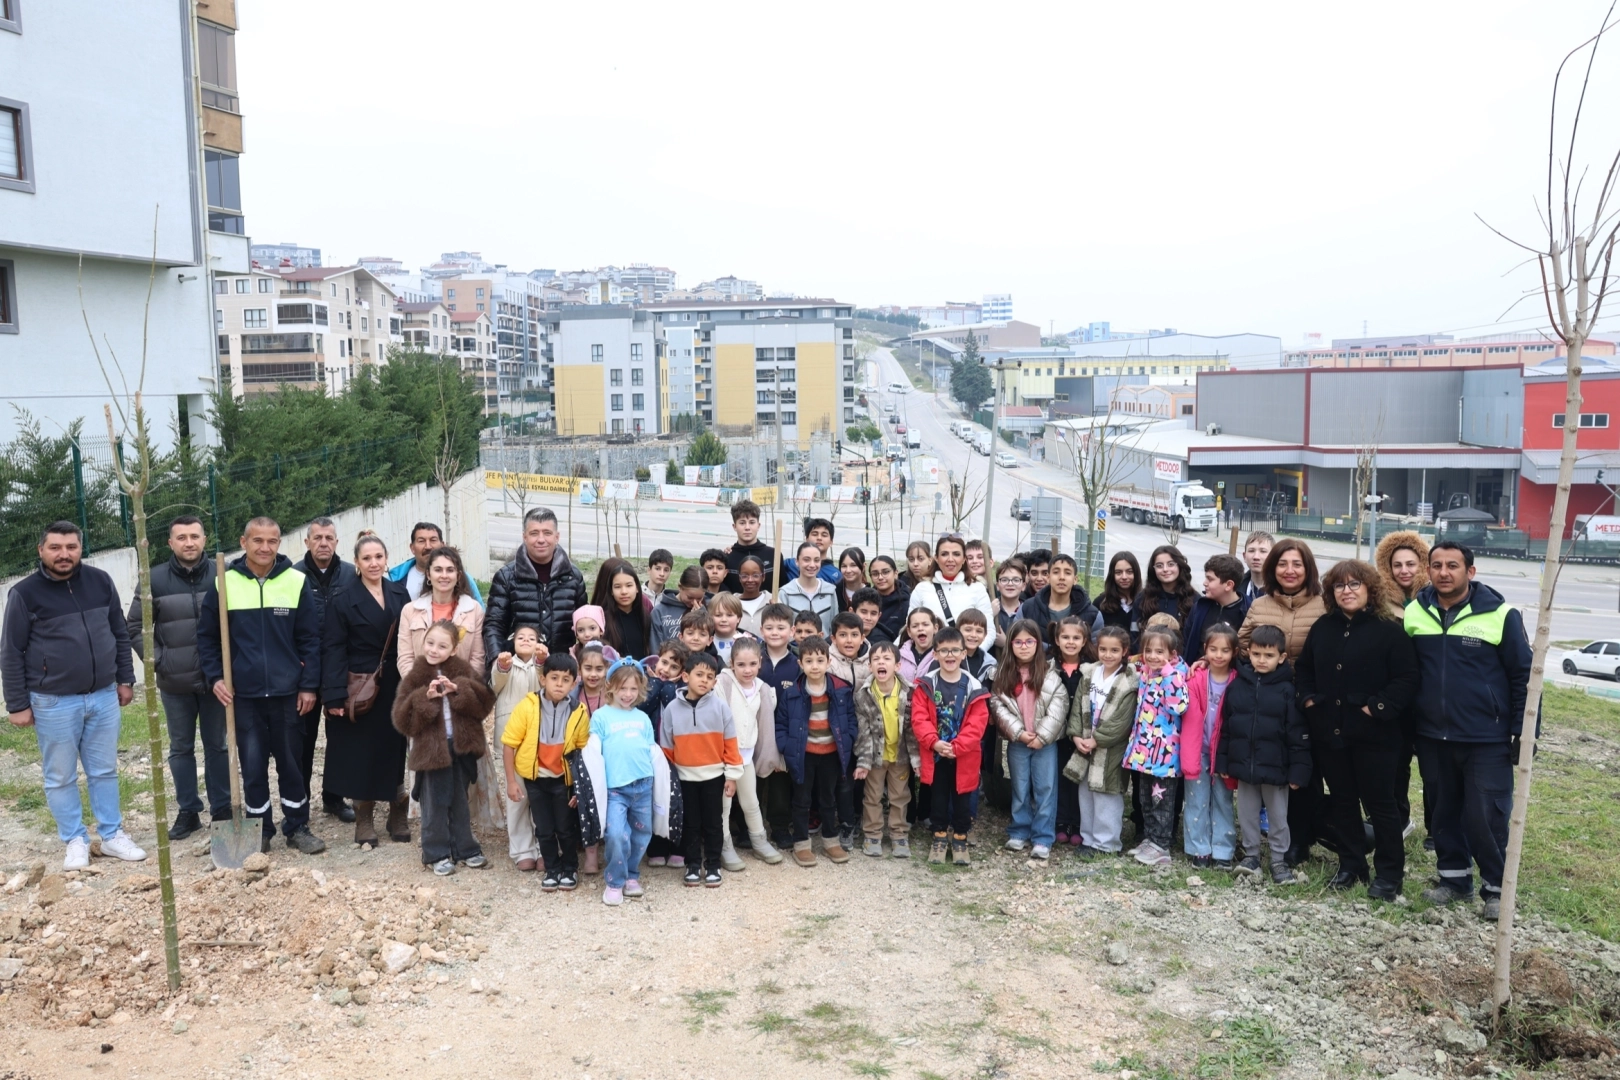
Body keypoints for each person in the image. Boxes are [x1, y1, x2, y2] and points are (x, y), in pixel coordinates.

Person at [3, 521, 144, 869]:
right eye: (55, 547)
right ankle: (75, 840)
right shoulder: (24, 593)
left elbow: (119, 632)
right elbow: (11, 651)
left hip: (103, 696)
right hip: (53, 701)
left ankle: (111, 835)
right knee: (60, 776)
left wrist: (125, 679)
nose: (63, 554)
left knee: (104, 771)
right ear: (41, 550)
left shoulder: (100, 582)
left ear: (81, 548)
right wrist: (17, 704)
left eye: (71, 547)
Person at [1405, 542, 1531, 920]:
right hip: (1432, 735)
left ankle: (1497, 890)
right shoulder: (1415, 612)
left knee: (1485, 815)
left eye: (1453, 565)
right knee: (1443, 811)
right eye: (1437, 565)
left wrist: (1524, 731)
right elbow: (1407, 673)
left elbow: (1524, 675)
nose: (1444, 572)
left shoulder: (1500, 615)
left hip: (1485, 737)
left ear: (1470, 572)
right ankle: (1454, 880)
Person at [197, 516, 325, 855]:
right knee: (252, 766)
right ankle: (260, 829)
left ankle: (297, 826)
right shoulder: (224, 583)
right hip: (244, 695)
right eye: (257, 540)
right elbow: (207, 638)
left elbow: (310, 639)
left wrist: (308, 685)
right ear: (244, 542)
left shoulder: (296, 581)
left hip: (287, 693)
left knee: (291, 764)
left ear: (279, 543)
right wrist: (216, 677)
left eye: (272, 541)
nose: (265, 547)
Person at [1298, 559, 1419, 901]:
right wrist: (1309, 699)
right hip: (1331, 731)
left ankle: (1389, 874)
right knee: (1343, 801)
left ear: (1369, 589)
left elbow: (1407, 678)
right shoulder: (1323, 627)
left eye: (1354, 584)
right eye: (1339, 585)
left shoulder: (1389, 630)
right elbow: (1305, 669)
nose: (1346, 591)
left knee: (1381, 805)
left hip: (1375, 735)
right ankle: (1351, 864)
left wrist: (1376, 707)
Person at [125, 515, 223, 841]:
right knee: (181, 748)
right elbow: (135, 626)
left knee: (218, 746)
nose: (189, 543)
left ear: (204, 539)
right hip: (174, 682)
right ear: (170, 543)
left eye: (194, 536)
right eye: (181, 537)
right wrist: (159, 661)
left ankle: (222, 808)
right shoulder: (153, 579)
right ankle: (189, 811)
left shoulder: (223, 575)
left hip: (216, 681)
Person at [1238, 537, 1328, 866]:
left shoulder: (1324, 604)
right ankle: (1268, 837)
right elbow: (1241, 646)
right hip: (1269, 701)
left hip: (1309, 701)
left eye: (1297, 564)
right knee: (1273, 769)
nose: (1289, 570)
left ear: (1308, 568)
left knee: (1305, 772)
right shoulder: (1260, 605)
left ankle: (1300, 841)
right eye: (1282, 564)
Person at [319, 533, 412, 847]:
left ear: (386, 559)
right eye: (367, 558)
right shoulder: (343, 598)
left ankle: (397, 812)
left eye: (378, 557)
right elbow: (333, 648)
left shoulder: (399, 593)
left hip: (396, 683)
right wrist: (333, 694)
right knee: (361, 751)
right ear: (356, 562)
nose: (374, 563)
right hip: (359, 685)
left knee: (395, 748)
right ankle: (364, 818)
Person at [394, 620, 496, 876]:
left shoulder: (463, 670)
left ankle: (465, 848)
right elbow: (401, 720)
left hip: (461, 747)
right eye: (430, 643)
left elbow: (485, 703)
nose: (434, 649)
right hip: (432, 751)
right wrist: (424, 699)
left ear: (453, 649)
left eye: (442, 646)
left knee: (460, 800)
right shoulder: (416, 675)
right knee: (435, 803)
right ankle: (436, 853)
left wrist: (459, 690)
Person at [1216, 623, 1310, 885]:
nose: (1261, 660)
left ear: (1281, 657)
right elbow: (1227, 727)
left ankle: (1278, 860)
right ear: (1248, 653)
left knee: (1278, 817)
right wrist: (1223, 761)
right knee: (1246, 814)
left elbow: (1297, 733)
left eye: (1269, 655)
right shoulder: (1237, 686)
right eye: (1256, 654)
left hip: (1276, 768)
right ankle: (1251, 855)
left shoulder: (1288, 690)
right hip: (1244, 767)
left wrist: (1299, 770)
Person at [501, 652, 588, 891]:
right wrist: (511, 781)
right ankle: (552, 868)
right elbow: (509, 744)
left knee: (565, 828)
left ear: (574, 683)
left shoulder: (579, 712)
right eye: (554, 678)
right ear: (543, 679)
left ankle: (570, 868)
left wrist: (579, 787)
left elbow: (582, 752)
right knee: (544, 828)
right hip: (536, 780)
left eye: (566, 680)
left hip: (563, 781)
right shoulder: (527, 707)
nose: (559, 684)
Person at [659, 651, 744, 887]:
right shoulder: (672, 709)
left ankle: (714, 865)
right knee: (690, 823)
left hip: (714, 777)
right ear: (686, 676)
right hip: (685, 778)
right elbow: (666, 746)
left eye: (710, 677)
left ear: (715, 682)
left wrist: (732, 776)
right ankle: (693, 865)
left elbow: (731, 744)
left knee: (714, 823)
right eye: (699, 675)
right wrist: (671, 777)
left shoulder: (721, 708)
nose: (704, 680)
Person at [910, 627, 991, 866]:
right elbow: (919, 718)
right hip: (935, 753)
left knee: (963, 797)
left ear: (964, 653)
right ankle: (939, 837)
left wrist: (958, 746)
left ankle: (960, 838)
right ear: (935, 654)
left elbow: (978, 723)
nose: (950, 655)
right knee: (938, 796)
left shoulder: (974, 686)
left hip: (963, 755)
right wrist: (934, 742)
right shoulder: (926, 685)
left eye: (955, 650)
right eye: (944, 650)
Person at [990, 620, 1070, 860]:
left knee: (1046, 788)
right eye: (1018, 642)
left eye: (1029, 641)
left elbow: (1059, 707)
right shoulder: (1003, 675)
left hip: (1045, 744)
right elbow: (998, 706)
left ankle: (1043, 837)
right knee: (1020, 787)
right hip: (1018, 742)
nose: (1024, 647)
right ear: (1010, 645)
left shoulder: (1050, 675)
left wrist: (1043, 736)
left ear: (1038, 643)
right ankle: (1019, 830)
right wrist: (1019, 733)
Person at [296, 517, 358, 823]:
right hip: (304, 672)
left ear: (336, 542)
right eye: (317, 537)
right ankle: (300, 800)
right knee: (302, 741)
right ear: (307, 542)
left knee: (340, 739)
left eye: (329, 538)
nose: (323, 543)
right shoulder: (293, 576)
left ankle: (334, 797)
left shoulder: (351, 574)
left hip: (340, 671)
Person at [775, 635, 857, 866]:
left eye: (820, 660)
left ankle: (831, 841)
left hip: (831, 754)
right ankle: (801, 844)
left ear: (828, 662)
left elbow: (851, 719)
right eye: (809, 661)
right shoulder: (792, 692)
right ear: (800, 663)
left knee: (828, 799)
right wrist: (787, 747)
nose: (815, 666)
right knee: (801, 800)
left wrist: (849, 739)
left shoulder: (841, 690)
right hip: (804, 755)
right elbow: (781, 724)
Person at [1376, 529, 1433, 844]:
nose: (1404, 571)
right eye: (1397, 565)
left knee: (1432, 767)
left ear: (1423, 563)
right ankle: (1399, 818)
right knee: (1395, 764)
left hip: (1429, 694)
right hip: (1395, 696)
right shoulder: (1380, 602)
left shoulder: (1435, 598)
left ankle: (1437, 829)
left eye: (1411, 564)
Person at [1063, 625, 1138, 857]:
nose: (1108, 655)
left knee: (1107, 793)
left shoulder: (1129, 681)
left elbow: (1122, 721)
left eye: (1114, 650)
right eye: (1103, 649)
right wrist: (1077, 735)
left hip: (1110, 747)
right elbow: (1078, 707)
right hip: (1085, 742)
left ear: (1124, 651)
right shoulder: (1090, 673)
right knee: (1086, 792)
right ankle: (1089, 838)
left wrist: (1097, 740)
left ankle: (1106, 843)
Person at [592, 659, 660, 905]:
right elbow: (593, 753)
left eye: (633, 688)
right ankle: (614, 880)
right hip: (615, 789)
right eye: (623, 688)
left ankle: (632, 874)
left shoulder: (642, 718)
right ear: (611, 686)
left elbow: (651, 750)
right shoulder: (600, 717)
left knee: (642, 833)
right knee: (616, 834)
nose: (628, 694)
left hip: (643, 785)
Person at [484, 506, 587, 669]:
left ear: (557, 537)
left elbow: (584, 625)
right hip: (518, 669)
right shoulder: (506, 577)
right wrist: (497, 664)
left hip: (560, 671)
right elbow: (494, 625)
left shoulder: (573, 577)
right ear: (524, 537)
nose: (541, 539)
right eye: (534, 533)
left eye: (547, 533)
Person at [1121, 626, 1189, 867]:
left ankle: (1161, 844)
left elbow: (1179, 707)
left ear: (1172, 654)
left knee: (1162, 802)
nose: (1152, 656)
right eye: (1148, 650)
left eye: (1159, 652)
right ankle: (1149, 838)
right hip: (1144, 751)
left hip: (1165, 756)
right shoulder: (1146, 673)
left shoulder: (1175, 675)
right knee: (1145, 799)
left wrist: (1168, 675)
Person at [715, 638, 783, 867]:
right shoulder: (723, 683)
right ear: (732, 663)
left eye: (753, 664)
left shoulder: (762, 688)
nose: (747, 670)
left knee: (751, 802)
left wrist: (767, 756)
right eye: (741, 664)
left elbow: (764, 724)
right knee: (724, 804)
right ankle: (724, 846)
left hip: (745, 757)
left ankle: (759, 841)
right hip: (723, 757)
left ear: (760, 662)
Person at [1180, 623, 1239, 869]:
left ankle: (1223, 850)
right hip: (1198, 750)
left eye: (1225, 650)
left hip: (1223, 753)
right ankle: (1199, 849)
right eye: (1213, 649)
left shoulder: (1238, 680)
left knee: (1223, 800)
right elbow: (1191, 719)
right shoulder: (1195, 678)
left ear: (1234, 652)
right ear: (1205, 649)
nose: (1218, 655)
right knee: (1196, 799)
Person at [852, 640, 916, 858]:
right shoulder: (863, 695)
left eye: (887, 659)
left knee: (899, 796)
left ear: (897, 666)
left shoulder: (909, 693)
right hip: (875, 757)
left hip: (900, 757)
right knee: (872, 796)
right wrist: (863, 762)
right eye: (876, 659)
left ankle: (899, 834)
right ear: (869, 666)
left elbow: (912, 730)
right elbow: (863, 732)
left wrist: (917, 760)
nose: (881, 662)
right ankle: (872, 834)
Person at [490, 624, 545, 869]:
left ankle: (544, 846)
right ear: (512, 642)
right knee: (517, 793)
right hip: (511, 735)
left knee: (541, 793)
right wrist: (502, 666)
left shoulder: (542, 663)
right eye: (520, 637)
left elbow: (546, 680)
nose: (526, 640)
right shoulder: (505, 663)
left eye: (532, 638)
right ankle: (522, 849)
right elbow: (495, 684)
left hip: (540, 734)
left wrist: (542, 660)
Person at [399, 547, 487, 677]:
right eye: (438, 570)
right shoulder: (410, 610)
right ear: (428, 574)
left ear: (458, 575)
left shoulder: (474, 610)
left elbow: (478, 659)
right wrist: (422, 685)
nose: (444, 575)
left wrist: (458, 686)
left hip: (461, 686)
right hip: (420, 687)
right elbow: (405, 658)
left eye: (450, 570)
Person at [908, 534, 996, 629]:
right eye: (944, 554)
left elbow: (988, 630)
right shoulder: (922, 588)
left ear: (964, 559)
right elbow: (911, 626)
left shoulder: (978, 588)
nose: (950, 559)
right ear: (936, 558)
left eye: (956, 554)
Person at [1018, 553, 1101, 645]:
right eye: (1056, 572)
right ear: (1048, 578)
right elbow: (1016, 641)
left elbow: (1095, 649)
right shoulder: (1026, 608)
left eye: (1067, 573)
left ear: (1075, 579)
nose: (1061, 577)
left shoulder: (1093, 615)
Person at [1181, 554, 1251, 664]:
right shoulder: (1200, 607)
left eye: (1210, 579)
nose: (1204, 583)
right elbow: (1186, 642)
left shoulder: (1248, 611)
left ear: (1229, 585)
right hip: (1196, 671)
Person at [389, 522, 482, 603]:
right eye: (421, 541)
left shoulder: (462, 578)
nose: (428, 546)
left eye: (433, 540)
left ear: (442, 545)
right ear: (412, 548)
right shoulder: (395, 580)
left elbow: (479, 612)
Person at [593, 558, 652, 661]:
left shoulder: (645, 616)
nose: (624, 591)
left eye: (629, 585)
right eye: (617, 587)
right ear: (611, 591)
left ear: (637, 588)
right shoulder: (603, 619)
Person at [781, 542, 837, 636]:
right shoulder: (785, 592)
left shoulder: (830, 591)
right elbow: (783, 628)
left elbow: (834, 627)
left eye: (816, 560)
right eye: (806, 560)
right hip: (795, 645)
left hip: (824, 645)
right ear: (797, 562)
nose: (812, 565)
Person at [722, 499, 775, 594]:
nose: (747, 527)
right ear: (734, 526)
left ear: (758, 525)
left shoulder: (773, 555)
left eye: (752, 522)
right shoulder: (726, 558)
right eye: (742, 523)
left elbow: (781, 589)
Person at [651, 566, 707, 650]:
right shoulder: (659, 611)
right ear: (680, 587)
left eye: (699, 598)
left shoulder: (705, 609)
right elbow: (655, 647)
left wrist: (701, 616)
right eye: (690, 597)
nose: (694, 602)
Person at [1140, 545, 1197, 626]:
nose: (1165, 569)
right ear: (1153, 569)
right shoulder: (1142, 598)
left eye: (1171, 564)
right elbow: (1135, 631)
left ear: (1179, 566)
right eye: (1159, 566)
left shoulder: (1195, 600)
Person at [1098, 552, 1143, 652]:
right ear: (1112, 575)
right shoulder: (1101, 603)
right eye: (1118, 573)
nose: (1124, 577)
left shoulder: (1146, 602)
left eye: (1129, 572)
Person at [781, 517, 842, 584]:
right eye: (815, 534)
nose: (819, 538)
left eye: (824, 535)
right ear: (806, 539)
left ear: (831, 542)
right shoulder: (790, 564)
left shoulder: (836, 574)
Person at [867, 555, 912, 643]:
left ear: (895, 573)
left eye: (885, 572)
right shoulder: (866, 600)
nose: (880, 577)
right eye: (875, 574)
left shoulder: (908, 601)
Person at [898, 608, 938, 684]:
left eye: (925, 625)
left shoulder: (942, 656)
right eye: (915, 626)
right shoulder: (898, 655)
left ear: (935, 628)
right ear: (909, 632)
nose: (920, 628)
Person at [709, 593, 750, 666]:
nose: (724, 619)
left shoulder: (750, 642)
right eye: (718, 615)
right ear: (710, 617)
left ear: (738, 618)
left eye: (729, 615)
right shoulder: (705, 643)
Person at [992, 559, 1027, 643]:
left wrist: (1006, 643)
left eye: (1016, 580)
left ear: (1023, 586)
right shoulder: (989, 608)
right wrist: (990, 616)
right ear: (997, 585)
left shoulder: (1028, 610)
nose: (1010, 584)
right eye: (1004, 580)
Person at [734, 556, 771, 634]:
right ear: (739, 578)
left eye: (755, 575)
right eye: (744, 576)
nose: (750, 580)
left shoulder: (772, 601)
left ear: (763, 577)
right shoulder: (731, 604)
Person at [1241, 532, 1275, 604]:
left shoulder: (1282, 589)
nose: (1256, 557)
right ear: (1244, 556)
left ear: (1273, 556)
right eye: (1251, 551)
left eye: (1263, 551)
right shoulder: (1236, 588)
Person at [835, 548, 869, 612]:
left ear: (864, 566)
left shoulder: (871, 594)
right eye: (844, 566)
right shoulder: (834, 592)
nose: (848, 570)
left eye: (853, 565)